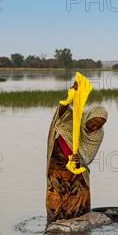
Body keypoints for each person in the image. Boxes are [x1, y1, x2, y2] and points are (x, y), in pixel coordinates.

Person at [46, 82, 108, 223]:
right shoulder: (76, 118)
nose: (95, 127)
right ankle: (55, 221)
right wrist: (70, 96)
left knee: (81, 192)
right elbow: (60, 114)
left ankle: (79, 220)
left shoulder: (98, 134)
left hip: (78, 164)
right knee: (57, 191)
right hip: (58, 161)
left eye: (99, 125)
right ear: (89, 116)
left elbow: (89, 154)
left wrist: (80, 159)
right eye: (94, 123)